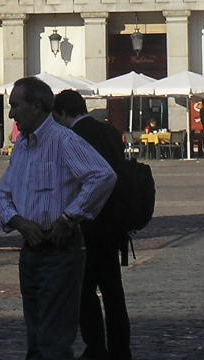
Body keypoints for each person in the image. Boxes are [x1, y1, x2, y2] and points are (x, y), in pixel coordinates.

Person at [0, 77, 117, 360]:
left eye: (15, 105)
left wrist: (69, 217)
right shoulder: (23, 146)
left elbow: (102, 176)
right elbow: (1, 193)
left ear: (37, 106)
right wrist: (18, 221)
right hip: (31, 249)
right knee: (36, 337)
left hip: (59, 249)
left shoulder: (63, 140)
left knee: (54, 339)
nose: (11, 114)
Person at [52, 89, 132, 360]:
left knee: (85, 290)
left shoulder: (72, 137)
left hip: (87, 222)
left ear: (62, 113)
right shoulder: (109, 131)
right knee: (113, 291)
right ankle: (121, 348)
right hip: (114, 221)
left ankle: (95, 346)